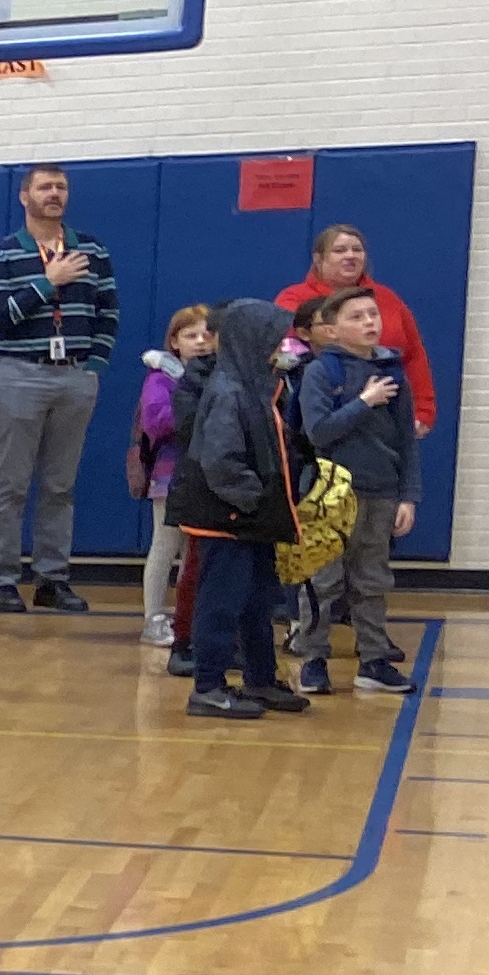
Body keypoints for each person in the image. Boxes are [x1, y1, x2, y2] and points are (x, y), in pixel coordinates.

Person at [163, 298, 316, 722]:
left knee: (256, 601)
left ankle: (260, 678)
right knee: (221, 602)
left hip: (251, 518)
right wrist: (254, 500)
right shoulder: (228, 391)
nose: (280, 347)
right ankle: (208, 687)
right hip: (227, 517)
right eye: (273, 338)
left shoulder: (258, 386)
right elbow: (221, 461)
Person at [0, 162, 117, 612]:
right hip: (21, 373)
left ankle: (51, 579)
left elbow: (108, 311)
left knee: (61, 485)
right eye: (44, 186)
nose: (53, 193)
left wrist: (93, 364)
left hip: (75, 375)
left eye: (60, 187)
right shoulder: (2, 254)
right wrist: (47, 282)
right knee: (11, 483)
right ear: (25, 196)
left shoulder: (92, 250)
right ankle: (1, 579)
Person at [286, 285, 419, 695]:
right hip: (329, 494)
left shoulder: (394, 371)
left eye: (372, 315)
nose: (369, 323)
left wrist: (408, 496)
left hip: (380, 492)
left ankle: (375, 660)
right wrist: (364, 401)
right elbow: (319, 432)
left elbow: (406, 443)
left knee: (372, 579)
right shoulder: (321, 373)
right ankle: (313, 658)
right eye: (356, 317)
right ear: (331, 328)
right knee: (323, 581)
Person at [276, 225, 439, 441]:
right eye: (340, 250)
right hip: (323, 415)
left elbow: (414, 355)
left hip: (386, 414)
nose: (350, 256)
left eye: (357, 249)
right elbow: (281, 357)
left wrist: (423, 408)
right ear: (318, 258)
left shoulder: (388, 298)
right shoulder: (293, 300)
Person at [130, 304, 215, 656]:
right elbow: (158, 421)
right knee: (164, 544)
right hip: (170, 475)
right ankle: (153, 619)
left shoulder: (218, 376)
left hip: (205, 473)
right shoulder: (161, 378)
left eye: (206, 335)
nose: (199, 342)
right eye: (190, 335)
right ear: (174, 342)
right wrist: (196, 405)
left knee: (192, 551)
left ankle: (186, 616)